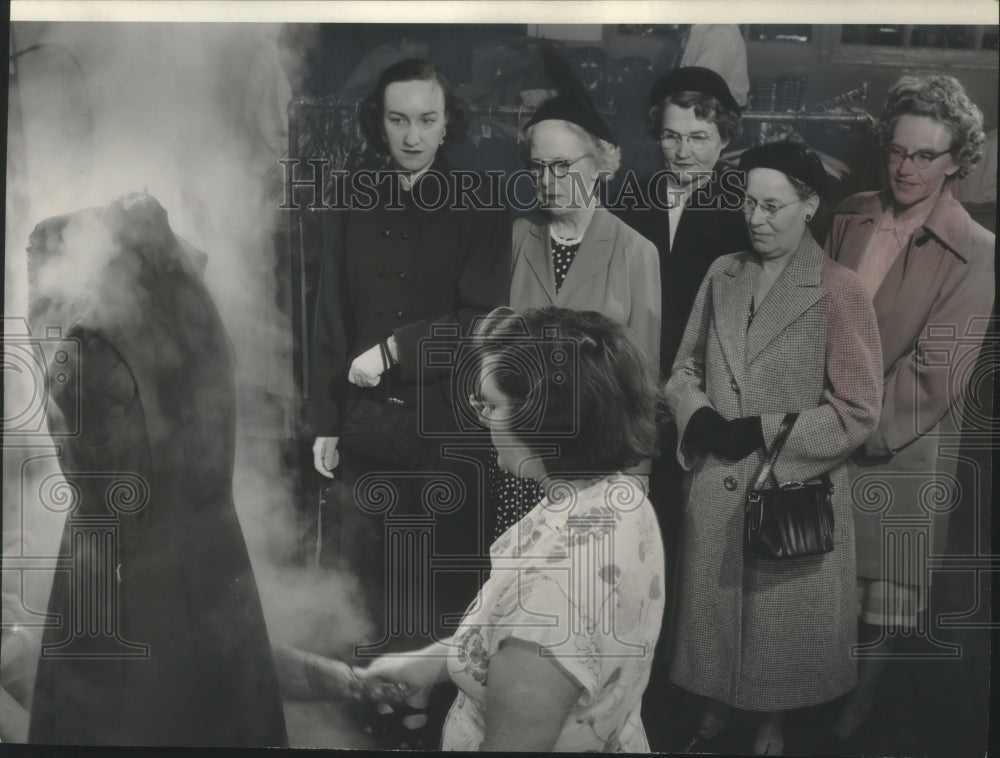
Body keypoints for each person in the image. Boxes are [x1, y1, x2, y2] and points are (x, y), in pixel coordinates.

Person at [25, 195, 287, 747]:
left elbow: (89, 483)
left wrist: (46, 330)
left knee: (126, 719)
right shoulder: (198, 315)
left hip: (121, 581)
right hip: (215, 558)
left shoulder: (89, 346)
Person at [308, 58, 510, 746]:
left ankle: (426, 718)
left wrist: (396, 350)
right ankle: (369, 706)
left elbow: (481, 320)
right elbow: (328, 314)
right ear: (379, 122)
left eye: (427, 119)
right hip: (365, 430)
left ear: (448, 122)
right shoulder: (349, 195)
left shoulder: (481, 200)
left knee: (431, 585)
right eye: (398, 120)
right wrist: (326, 421)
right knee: (364, 579)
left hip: (448, 433)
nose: (412, 135)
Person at [356, 305, 666, 751]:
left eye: (493, 405)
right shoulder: (621, 497)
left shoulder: (549, 598)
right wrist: (428, 663)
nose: (483, 419)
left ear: (547, 416)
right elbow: (506, 638)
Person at [665, 141, 883, 755]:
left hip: (791, 488)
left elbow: (858, 409)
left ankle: (770, 719)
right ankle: (715, 703)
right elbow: (681, 370)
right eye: (748, 204)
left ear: (809, 205)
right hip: (716, 484)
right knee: (714, 615)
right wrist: (699, 417)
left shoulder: (838, 290)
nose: (756, 218)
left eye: (773, 205)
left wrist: (763, 431)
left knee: (776, 628)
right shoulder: (721, 274)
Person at [824, 74, 995, 742]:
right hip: (828, 422)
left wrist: (845, 429)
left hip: (900, 440)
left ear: (956, 161)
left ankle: (858, 708)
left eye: (925, 156)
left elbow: (936, 374)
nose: (907, 167)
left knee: (882, 595)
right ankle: (814, 687)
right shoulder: (850, 214)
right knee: (824, 573)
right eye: (898, 151)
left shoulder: (977, 250)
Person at [499, 40, 661, 541]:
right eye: (538, 167)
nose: (548, 181)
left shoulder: (636, 251)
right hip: (522, 464)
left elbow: (643, 382)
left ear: (602, 161)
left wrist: (634, 484)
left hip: (599, 473)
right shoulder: (514, 237)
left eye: (562, 167)